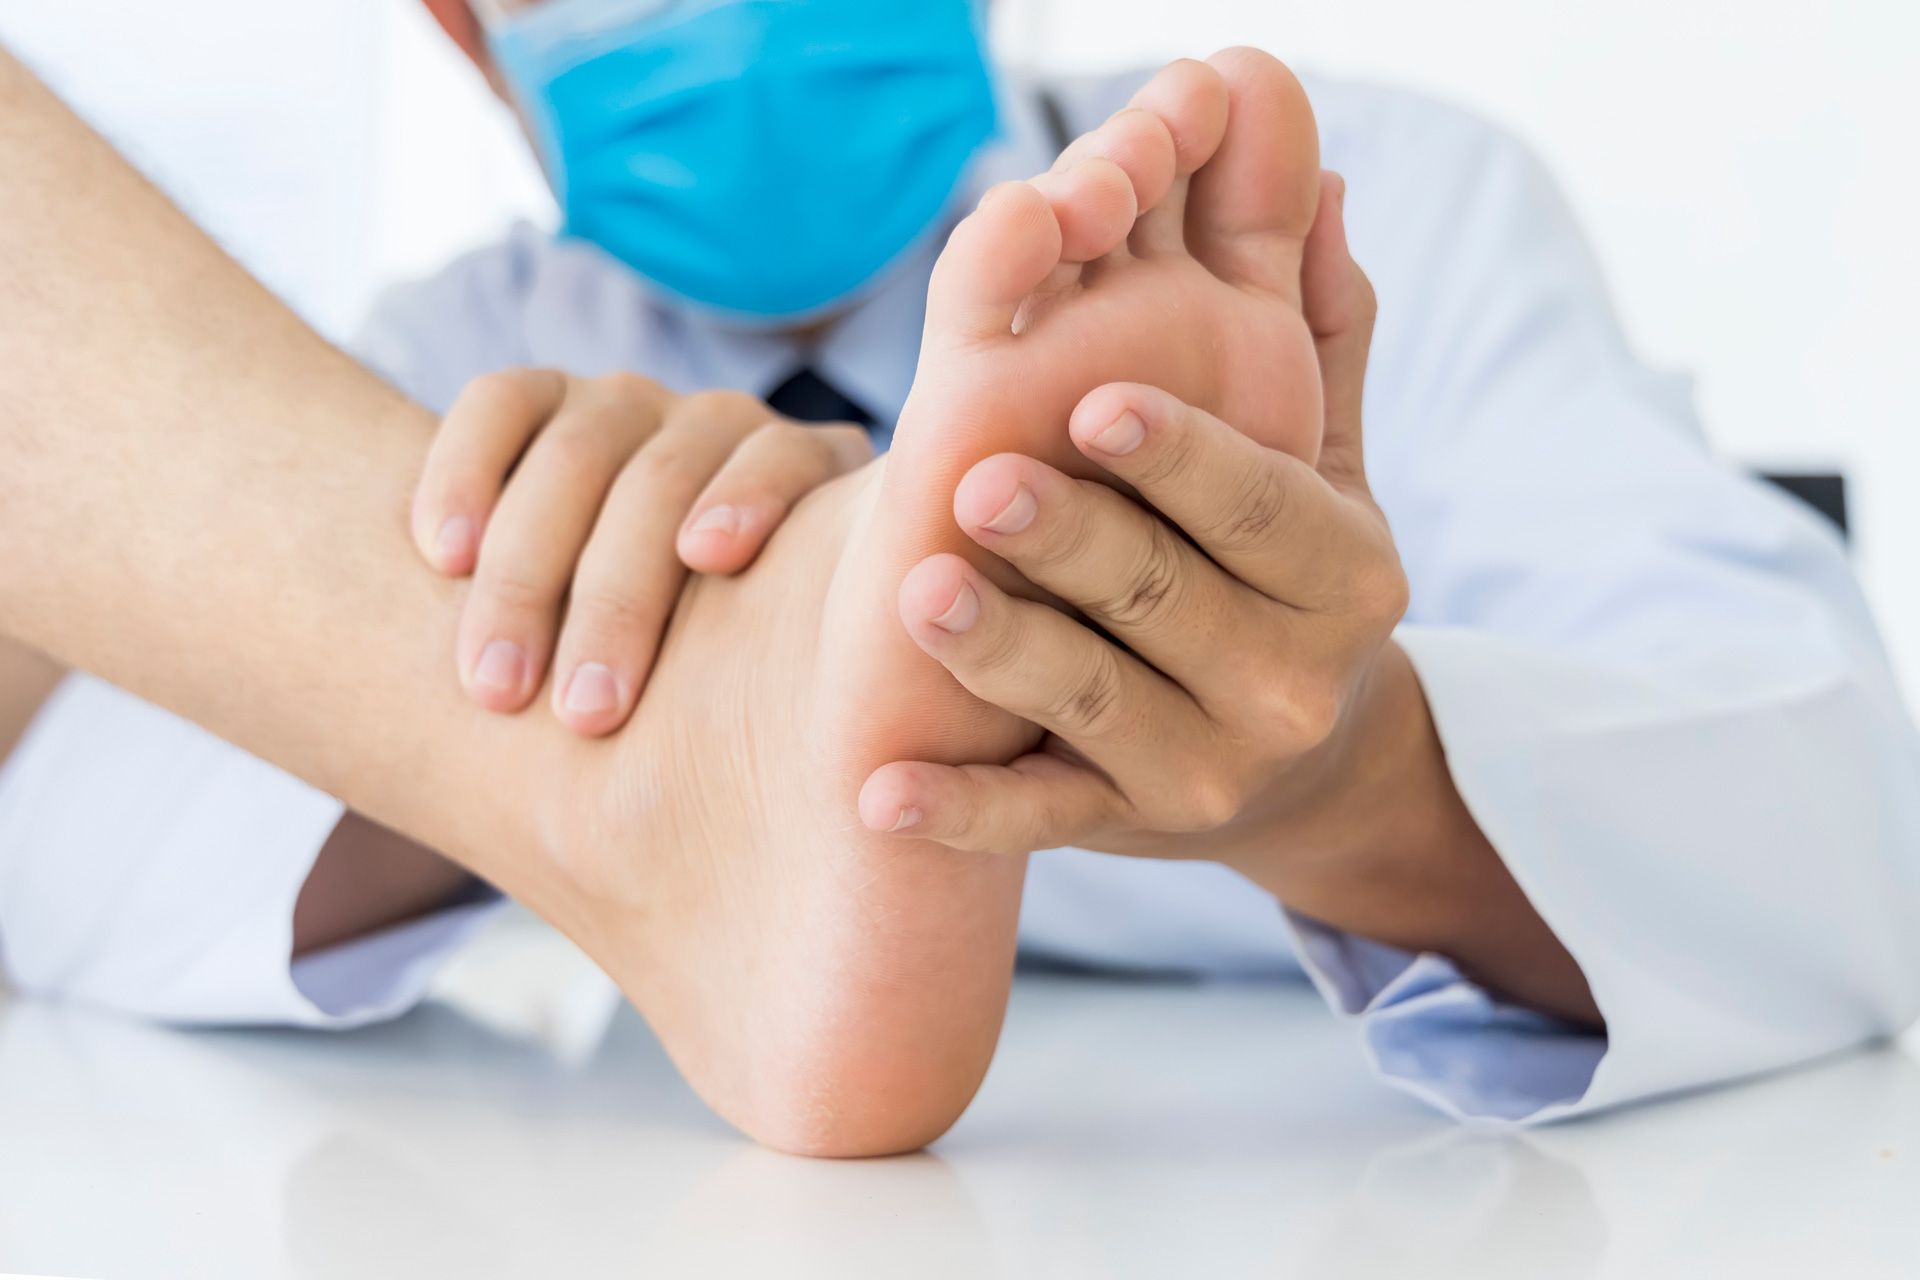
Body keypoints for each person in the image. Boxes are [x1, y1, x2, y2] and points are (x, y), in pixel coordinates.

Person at [0, 1, 1915, 1156]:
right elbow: (66, 852)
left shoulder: (1341, 218)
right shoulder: (437, 378)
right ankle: (670, 800)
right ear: (461, 28)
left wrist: (1357, 786)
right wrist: (610, 666)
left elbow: (1844, 815)